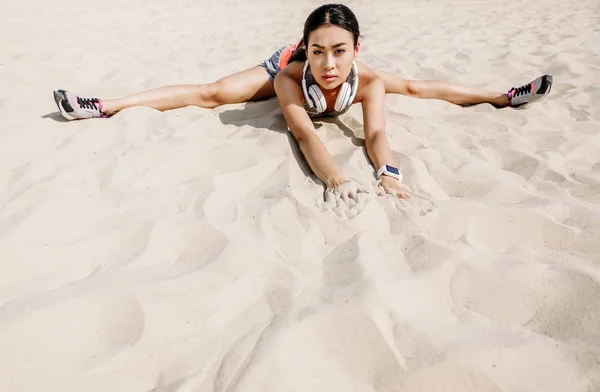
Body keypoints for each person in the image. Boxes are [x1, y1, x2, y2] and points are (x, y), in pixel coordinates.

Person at [52, 3, 552, 207]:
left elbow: (376, 135)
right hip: (280, 70)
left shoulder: (368, 77)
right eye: (320, 51)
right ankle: (104, 105)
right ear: (306, 50)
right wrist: (335, 178)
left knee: (417, 86)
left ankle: (504, 96)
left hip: (343, 70)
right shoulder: (294, 74)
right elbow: (306, 133)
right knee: (211, 94)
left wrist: (389, 172)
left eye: (339, 51)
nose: (330, 64)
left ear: (356, 50)